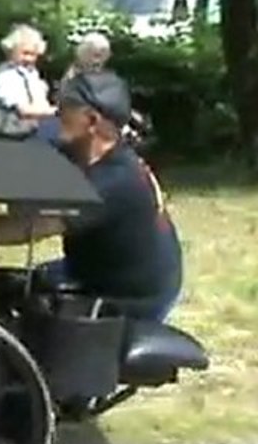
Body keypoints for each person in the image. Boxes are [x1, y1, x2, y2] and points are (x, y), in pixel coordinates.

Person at [36, 70, 183, 322]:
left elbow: (28, 227)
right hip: (95, 269)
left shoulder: (114, 179)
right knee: (19, 282)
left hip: (131, 298)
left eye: (64, 107)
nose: (56, 113)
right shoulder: (85, 156)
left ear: (91, 120)